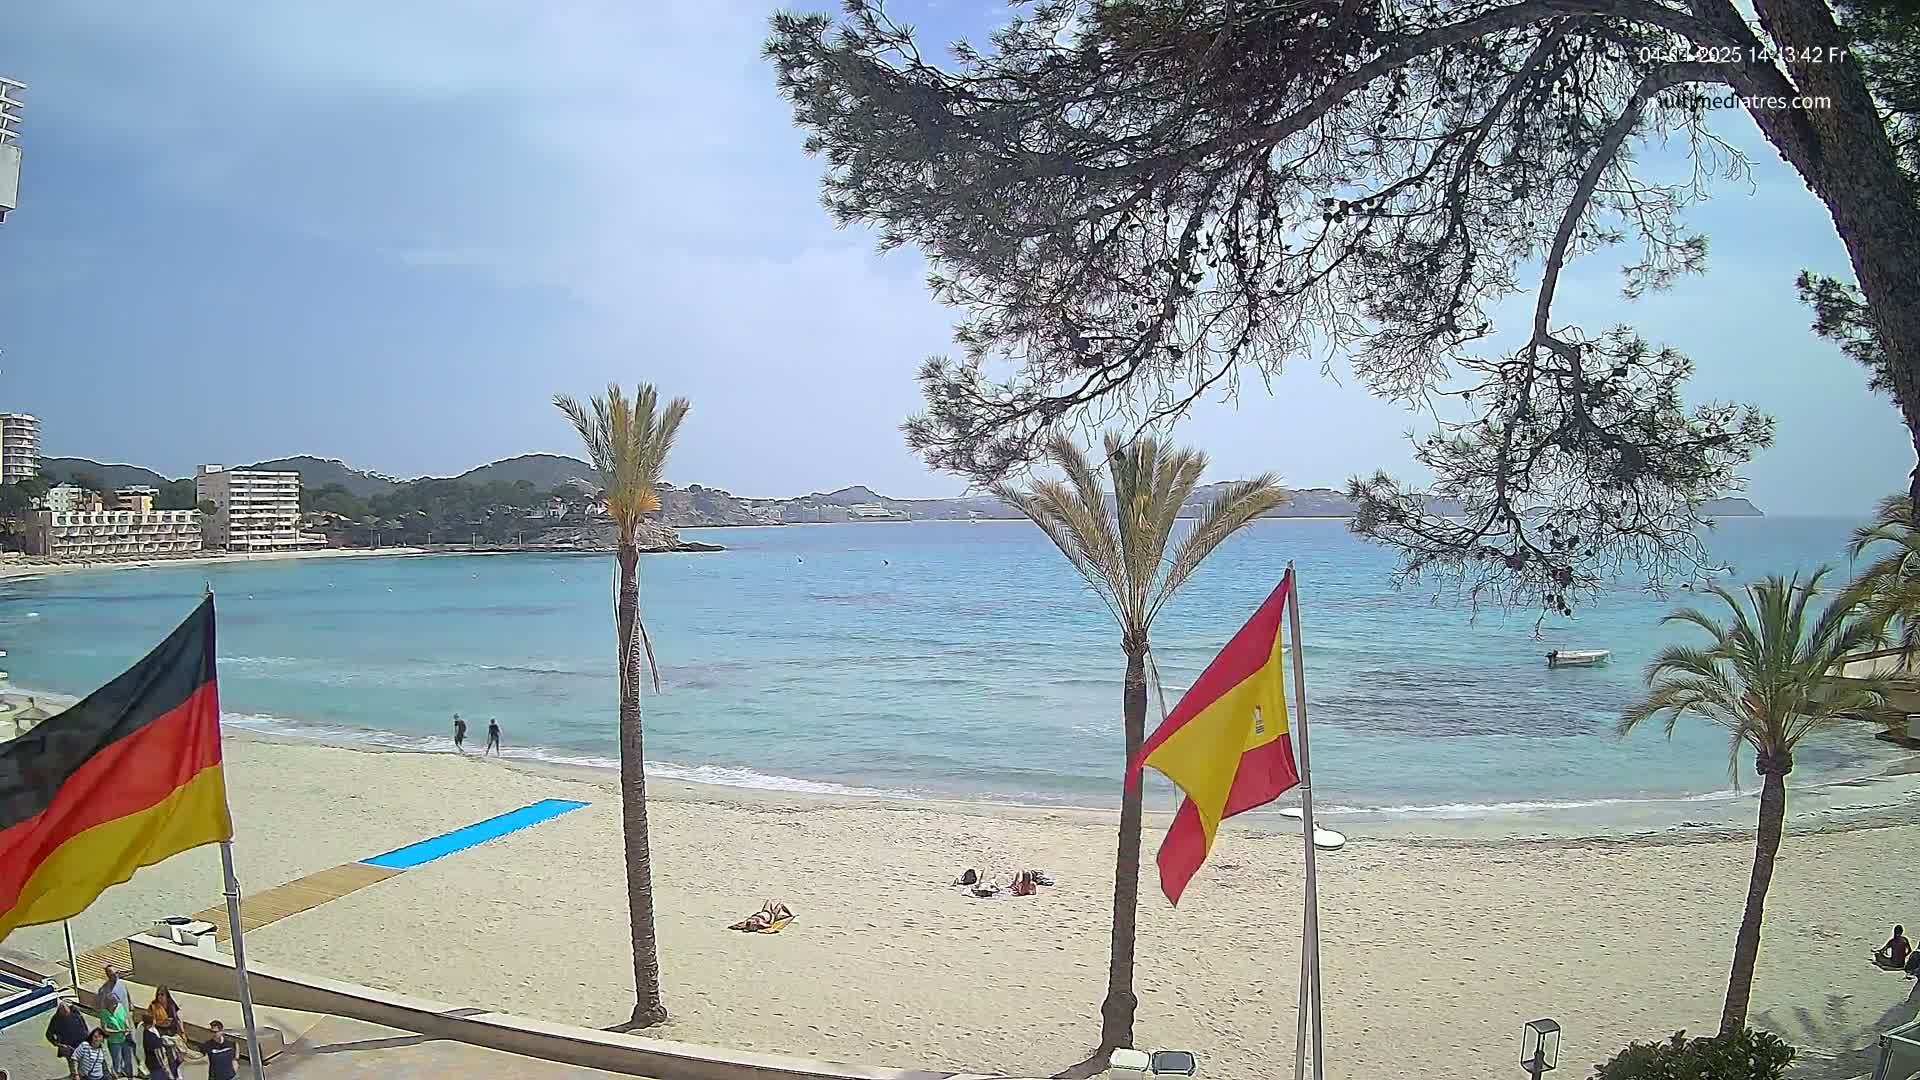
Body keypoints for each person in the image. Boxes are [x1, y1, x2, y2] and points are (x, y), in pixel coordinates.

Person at [46, 999, 90, 1078]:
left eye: (67, 1011)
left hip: (82, 1042)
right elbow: (48, 1035)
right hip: (69, 1047)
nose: (66, 1013)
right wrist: (58, 1044)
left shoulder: (75, 1011)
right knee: (73, 1064)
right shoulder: (56, 1020)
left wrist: (88, 1034)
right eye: (64, 1012)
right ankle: (74, 1075)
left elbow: (83, 1023)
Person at [100, 993, 133, 1079]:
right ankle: (116, 1075)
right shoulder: (104, 1013)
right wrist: (118, 1031)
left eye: (116, 1003)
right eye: (113, 1004)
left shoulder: (120, 1007)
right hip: (114, 1041)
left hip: (124, 1038)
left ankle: (128, 1075)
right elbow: (105, 1030)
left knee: (128, 1060)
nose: (115, 1006)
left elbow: (125, 1019)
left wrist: (127, 1027)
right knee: (117, 1062)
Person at [141, 1011, 177, 1080]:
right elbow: (159, 1053)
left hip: (150, 1063)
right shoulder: (151, 1037)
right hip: (156, 1065)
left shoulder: (145, 1032)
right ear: (152, 1022)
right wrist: (165, 1068)